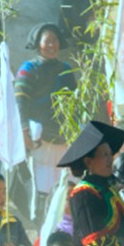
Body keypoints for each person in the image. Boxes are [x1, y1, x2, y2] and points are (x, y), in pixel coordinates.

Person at [15, 23, 77, 219]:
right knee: (41, 188)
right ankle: (41, 226)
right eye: (47, 41)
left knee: (64, 187)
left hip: (63, 139)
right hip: (39, 140)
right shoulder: (28, 69)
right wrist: (24, 130)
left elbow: (73, 104)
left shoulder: (66, 70)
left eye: (55, 40)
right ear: (37, 43)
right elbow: (20, 102)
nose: (52, 45)